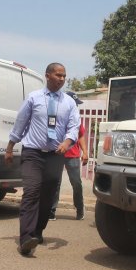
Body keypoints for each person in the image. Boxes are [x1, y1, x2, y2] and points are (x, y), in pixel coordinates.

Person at [5, 63, 80, 256]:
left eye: (64, 76)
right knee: (31, 192)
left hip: (55, 155)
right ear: (48, 76)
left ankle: (37, 232)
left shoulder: (69, 103)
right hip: (33, 153)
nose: (62, 79)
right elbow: (20, 122)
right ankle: (25, 239)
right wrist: (10, 146)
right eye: (58, 75)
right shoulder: (33, 98)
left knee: (47, 197)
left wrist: (68, 142)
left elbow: (74, 127)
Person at [49, 91, 88, 221]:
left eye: (77, 104)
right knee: (55, 182)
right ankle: (51, 211)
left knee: (76, 182)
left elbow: (80, 135)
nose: (76, 106)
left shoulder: (76, 118)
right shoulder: (55, 115)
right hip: (57, 153)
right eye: (74, 103)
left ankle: (80, 208)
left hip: (73, 154)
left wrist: (85, 152)